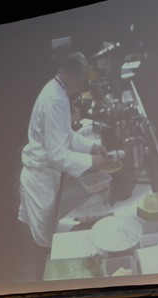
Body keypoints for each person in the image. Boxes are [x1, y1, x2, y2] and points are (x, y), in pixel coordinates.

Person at [17, 50, 108, 278]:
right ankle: (41, 286)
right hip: (41, 182)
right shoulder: (54, 99)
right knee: (45, 248)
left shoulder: (58, 91)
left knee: (48, 242)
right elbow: (57, 155)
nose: (83, 85)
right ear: (68, 72)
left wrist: (90, 147)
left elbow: (65, 134)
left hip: (48, 178)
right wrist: (92, 162)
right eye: (81, 79)